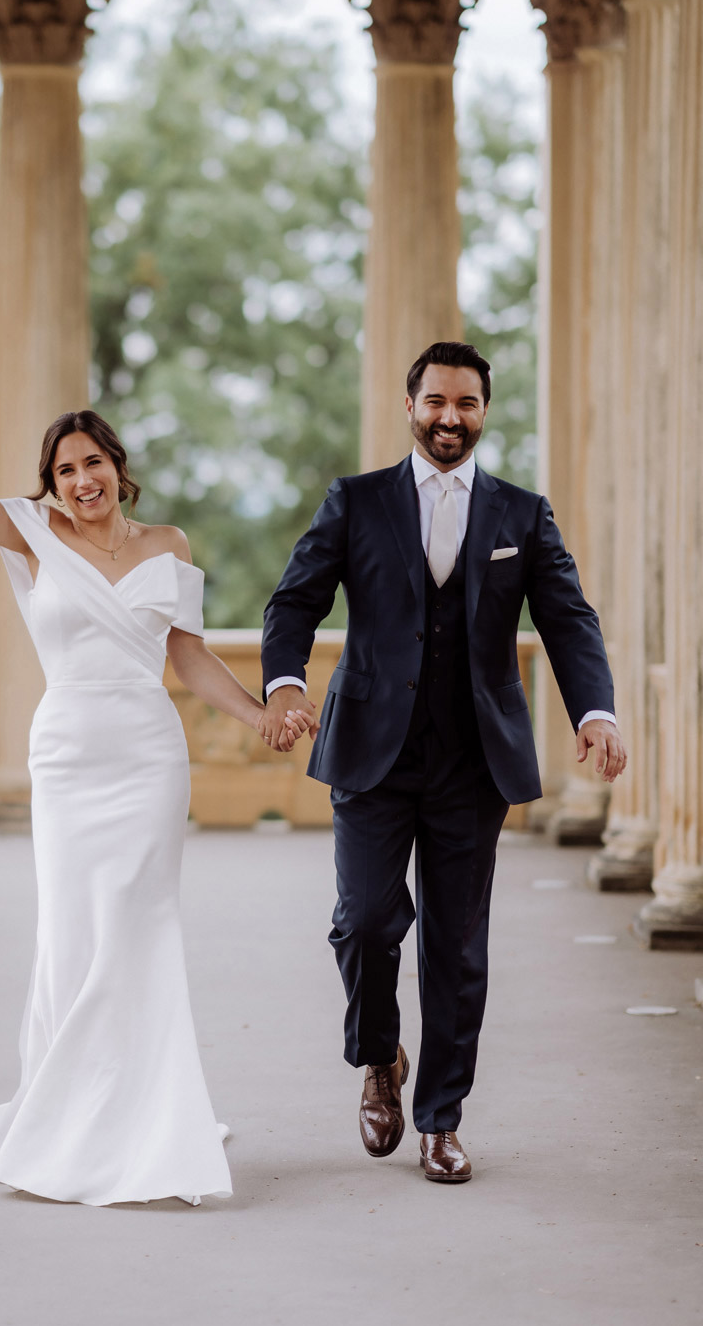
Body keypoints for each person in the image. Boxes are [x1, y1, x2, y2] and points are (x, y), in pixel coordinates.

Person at [0, 389, 298, 1206]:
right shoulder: (31, 534)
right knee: (75, 930)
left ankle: (147, 1115)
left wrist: (257, 713)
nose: (82, 481)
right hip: (70, 756)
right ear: (51, 482)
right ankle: (69, 1112)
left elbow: (189, 659)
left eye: (93, 463)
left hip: (148, 757)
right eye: (65, 470)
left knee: (141, 927)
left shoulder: (168, 545)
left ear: (118, 468)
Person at [258, 340, 626, 1184]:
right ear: (411, 404)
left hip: (474, 761)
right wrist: (283, 684)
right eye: (435, 402)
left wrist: (595, 710)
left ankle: (440, 1118)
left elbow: (569, 621)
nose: (450, 418)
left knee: (458, 948)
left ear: (484, 411)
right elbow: (295, 600)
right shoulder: (355, 502)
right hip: (370, 754)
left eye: (465, 404)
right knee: (363, 921)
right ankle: (378, 1057)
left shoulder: (522, 515)